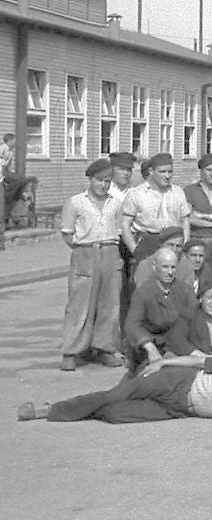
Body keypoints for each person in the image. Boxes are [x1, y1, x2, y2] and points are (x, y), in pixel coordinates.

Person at [18, 343, 212, 423]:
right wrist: (163, 362)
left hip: (179, 409)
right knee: (112, 395)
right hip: (175, 382)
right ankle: (49, 410)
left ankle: (86, 412)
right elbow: (197, 362)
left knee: (115, 415)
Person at [58, 159, 124, 372]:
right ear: (90, 179)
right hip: (85, 251)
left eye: (107, 181)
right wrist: (83, 252)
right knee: (79, 304)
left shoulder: (115, 203)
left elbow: (121, 230)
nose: (103, 185)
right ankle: (71, 351)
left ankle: (104, 348)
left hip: (110, 251)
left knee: (109, 304)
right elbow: (67, 234)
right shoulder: (76, 202)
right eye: (99, 180)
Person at [122, 248, 197, 376]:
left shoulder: (185, 291)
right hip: (150, 345)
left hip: (179, 343)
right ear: (154, 266)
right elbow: (132, 324)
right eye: (165, 267)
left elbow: (195, 318)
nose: (170, 272)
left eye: (173, 267)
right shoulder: (143, 292)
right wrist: (150, 348)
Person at [120, 153, 192, 263]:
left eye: (170, 172)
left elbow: (185, 222)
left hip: (174, 243)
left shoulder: (178, 192)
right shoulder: (136, 194)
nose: (167, 176)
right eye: (162, 172)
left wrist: (184, 246)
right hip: (147, 243)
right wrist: (135, 250)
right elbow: (125, 226)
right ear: (151, 171)